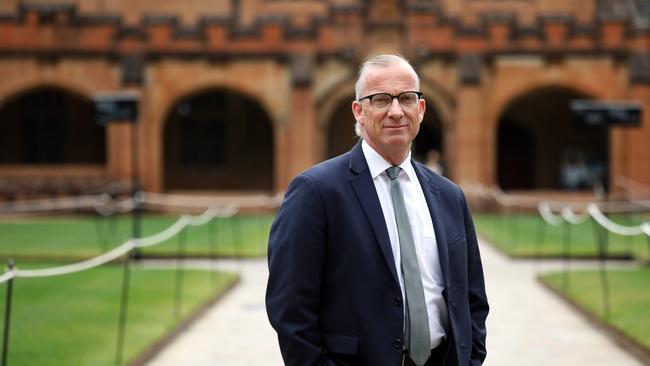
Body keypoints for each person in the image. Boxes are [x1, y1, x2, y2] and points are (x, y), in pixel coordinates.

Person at [266, 54, 489, 366]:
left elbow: (472, 300)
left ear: (420, 109)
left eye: (407, 99)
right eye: (381, 99)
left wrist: (471, 358)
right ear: (359, 110)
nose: (396, 111)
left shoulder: (449, 196)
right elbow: (290, 308)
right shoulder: (315, 192)